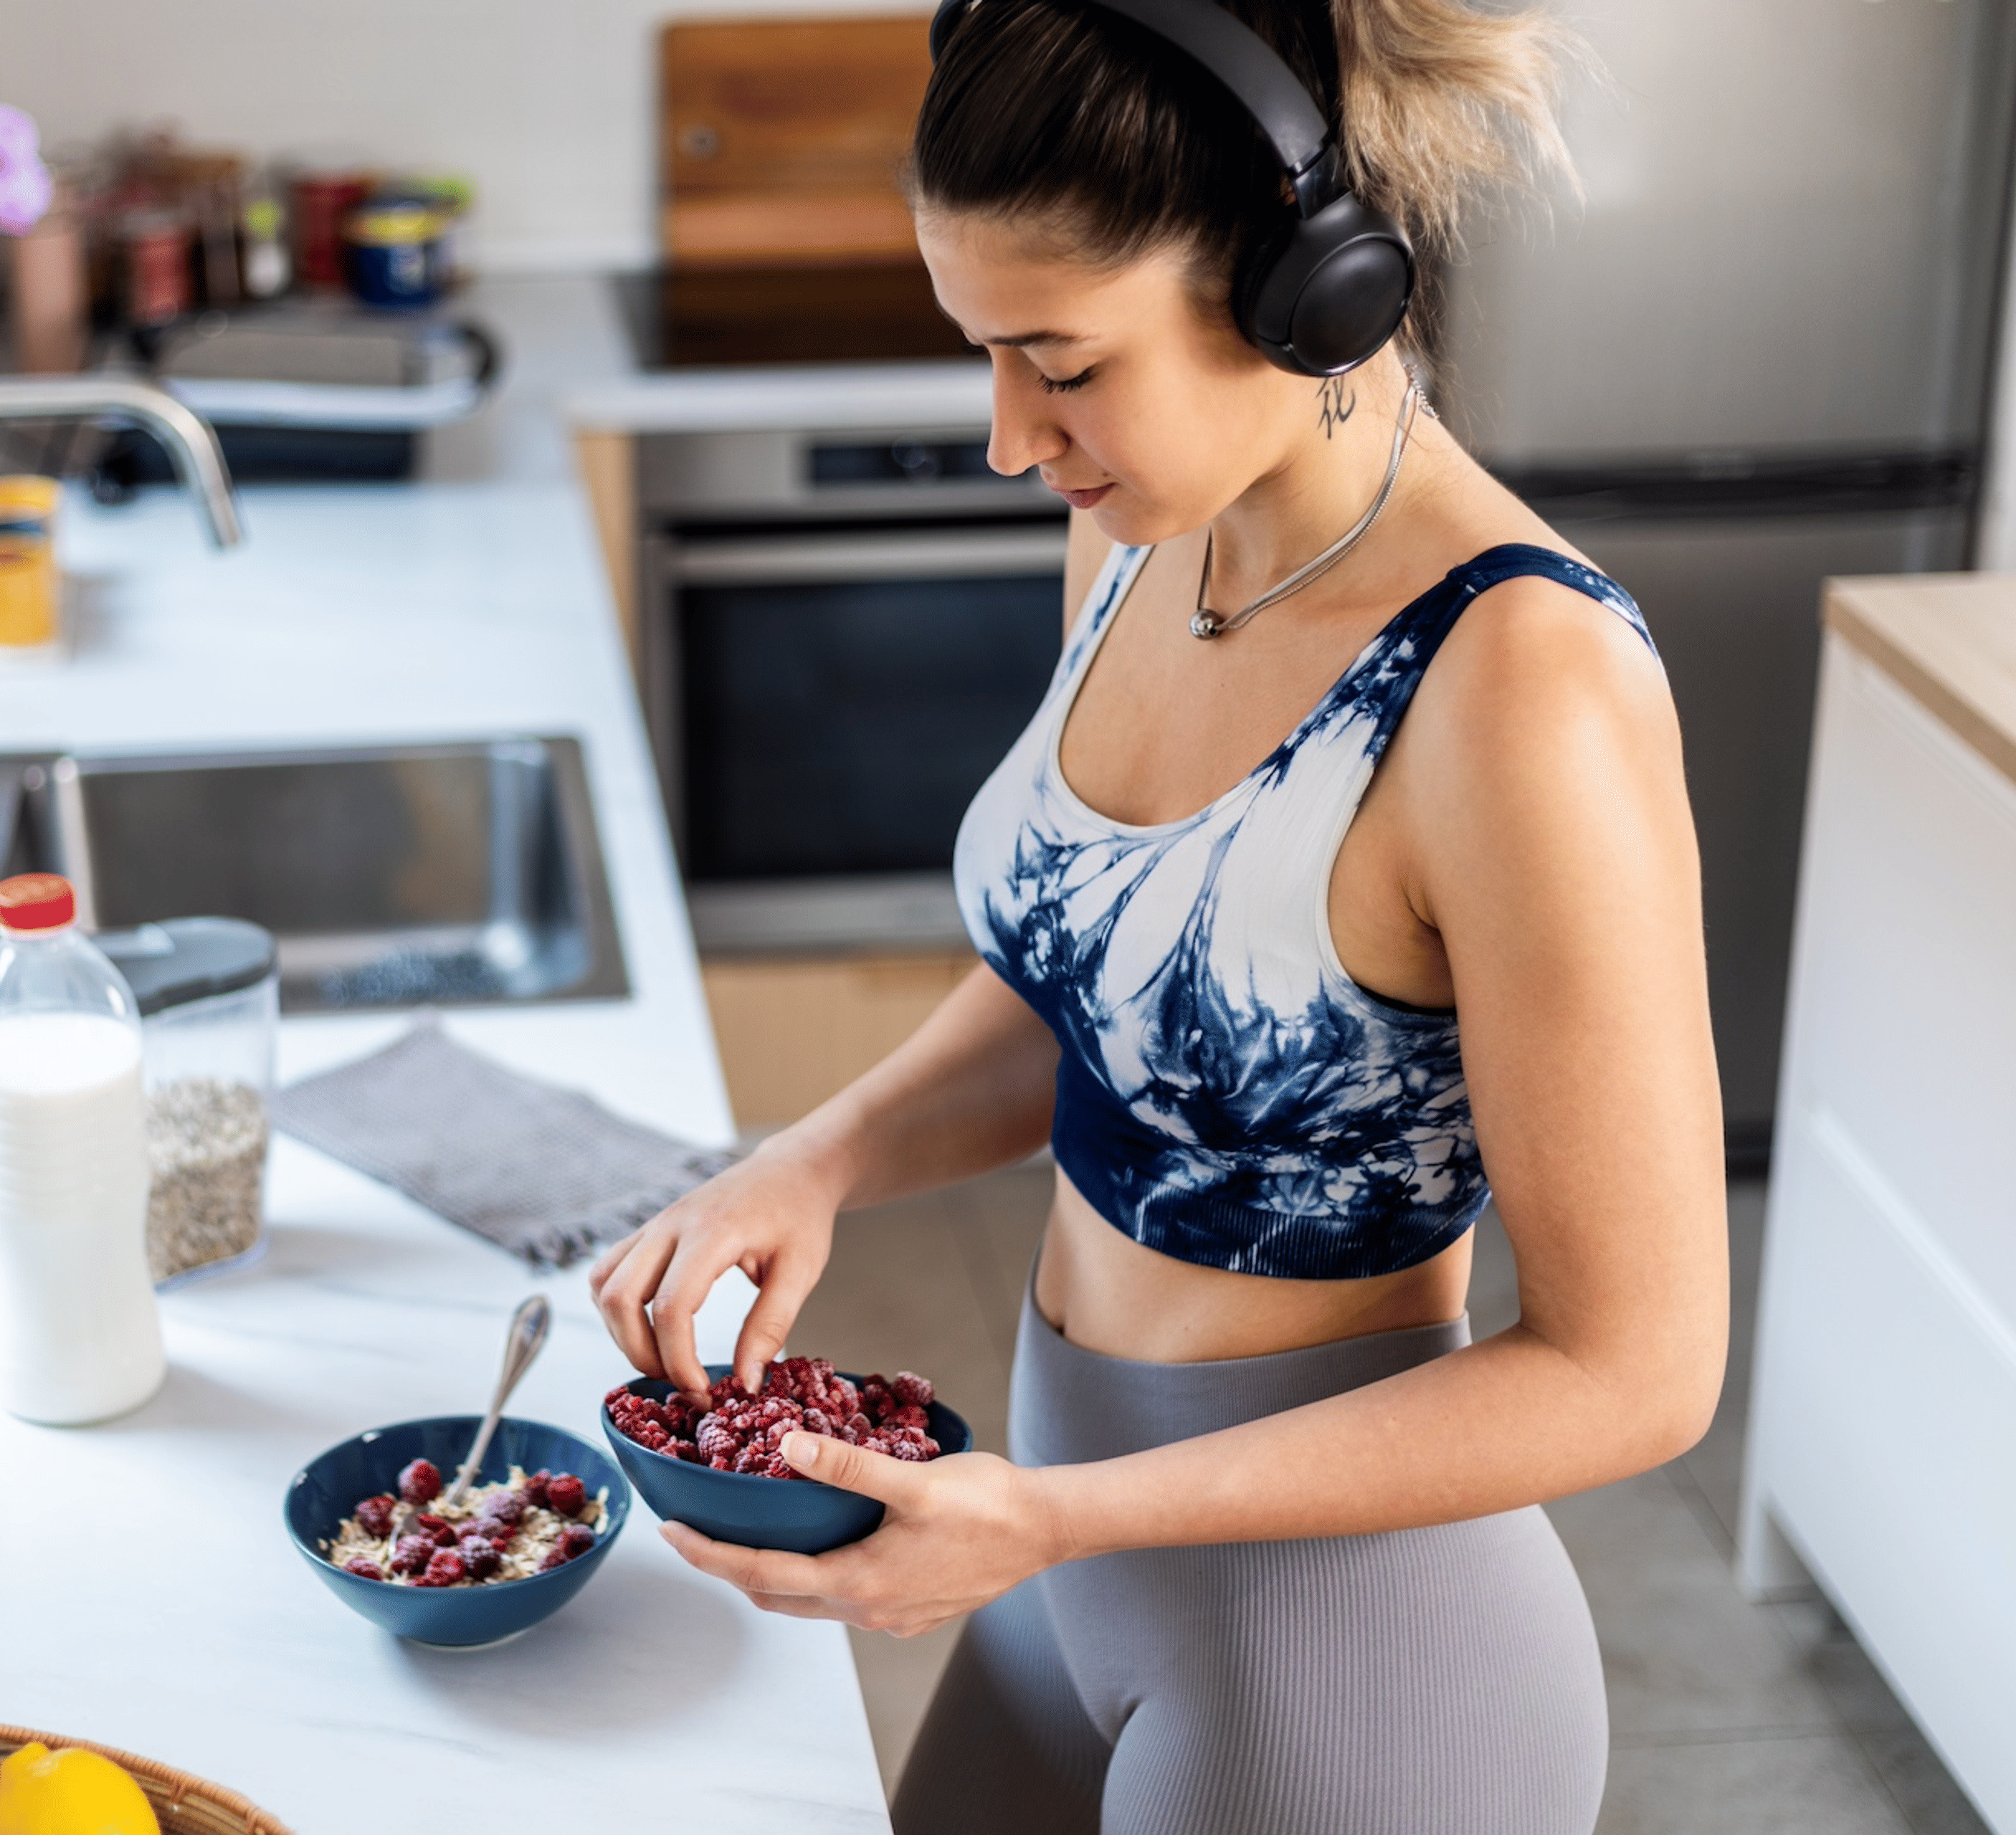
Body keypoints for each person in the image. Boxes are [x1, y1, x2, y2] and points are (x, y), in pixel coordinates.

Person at [588, 1, 1729, 1827]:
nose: (1005, 435)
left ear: (1307, 293)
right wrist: (811, 1156)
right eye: (982, 353)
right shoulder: (1138, 532)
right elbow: (1089, 987)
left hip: (1352, 1674)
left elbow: (1637, 1369)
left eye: (1060, 359)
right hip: (1069, 1558)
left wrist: (1054, 1516)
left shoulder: (1517, 681)